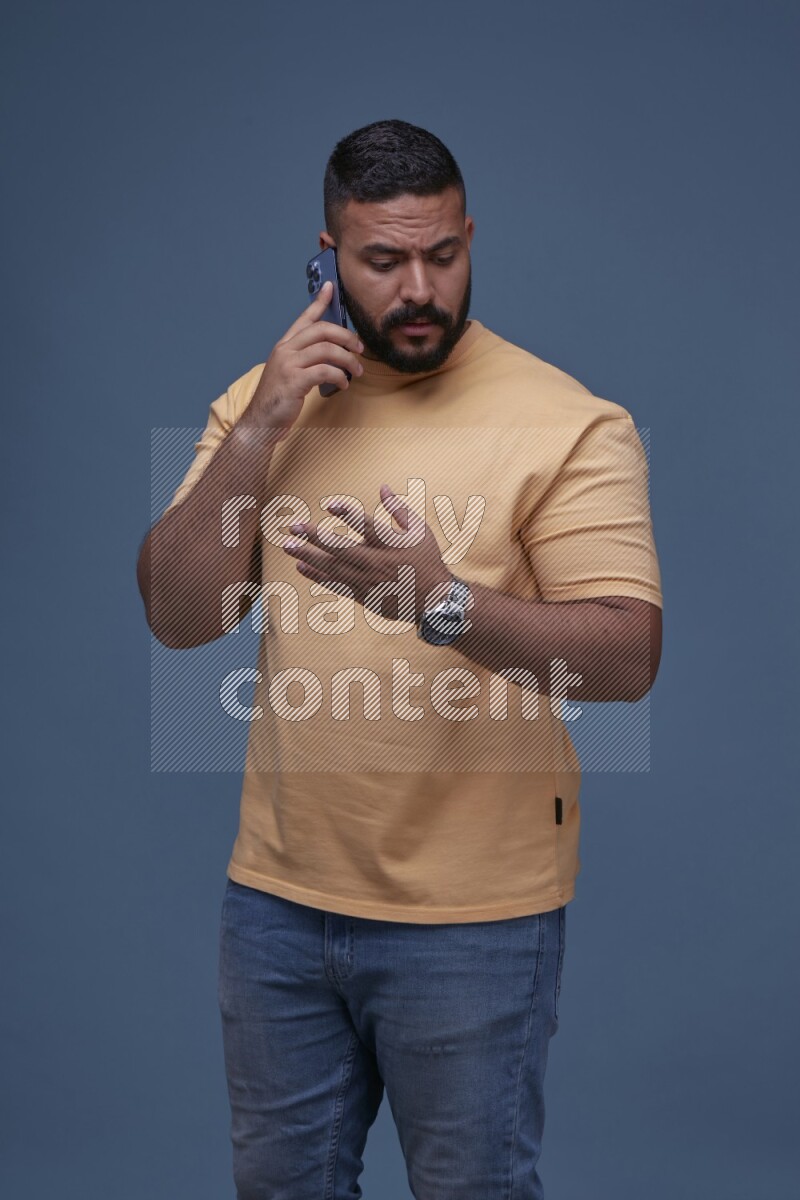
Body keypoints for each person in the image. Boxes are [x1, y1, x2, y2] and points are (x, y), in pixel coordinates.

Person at [137, 118, 663, 1200]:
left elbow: (625, 660)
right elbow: (180, 615)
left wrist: (442, 606)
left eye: (442, 255)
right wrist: (259, 428)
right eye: (383, 261)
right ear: (327, 258)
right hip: (277, 905)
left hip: (474, 921)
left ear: (470, 239)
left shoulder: (567, 423)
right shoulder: (262, 408)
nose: (419, 289)